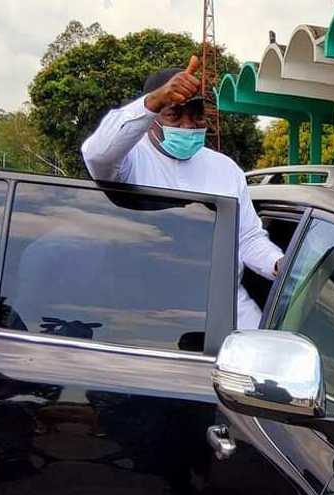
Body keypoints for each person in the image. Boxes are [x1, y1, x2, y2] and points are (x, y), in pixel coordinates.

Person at [82, 57, 283, 330]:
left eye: (196, 115)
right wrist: (156, 99)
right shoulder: (130, 160)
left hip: (224, 307)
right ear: (152, 119)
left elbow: (246, 238)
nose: (188, 126)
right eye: (174, 115)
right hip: (147, 314)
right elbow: (97, 154)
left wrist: (278, 264)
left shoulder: (225, 169)